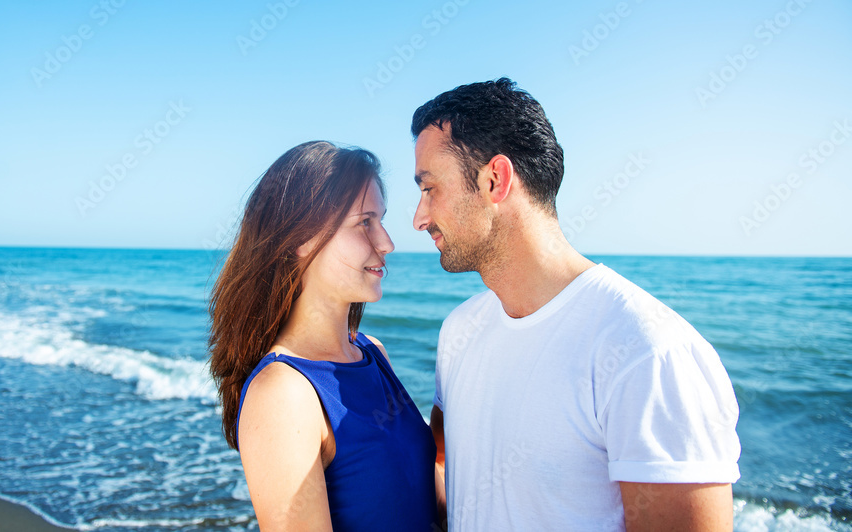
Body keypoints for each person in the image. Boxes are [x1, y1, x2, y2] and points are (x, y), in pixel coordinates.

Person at [412, 78, 741, 531]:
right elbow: (448, 468)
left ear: (495, 180)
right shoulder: (459, 331)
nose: (418, 218)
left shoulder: (647, 351)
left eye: (429, 189)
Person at [209, 141, 438, 531]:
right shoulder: (282, 394)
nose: (386, 243)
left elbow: (420, 498)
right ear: (302, 238)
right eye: (364, 222)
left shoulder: (372, 353)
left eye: (380, 221)